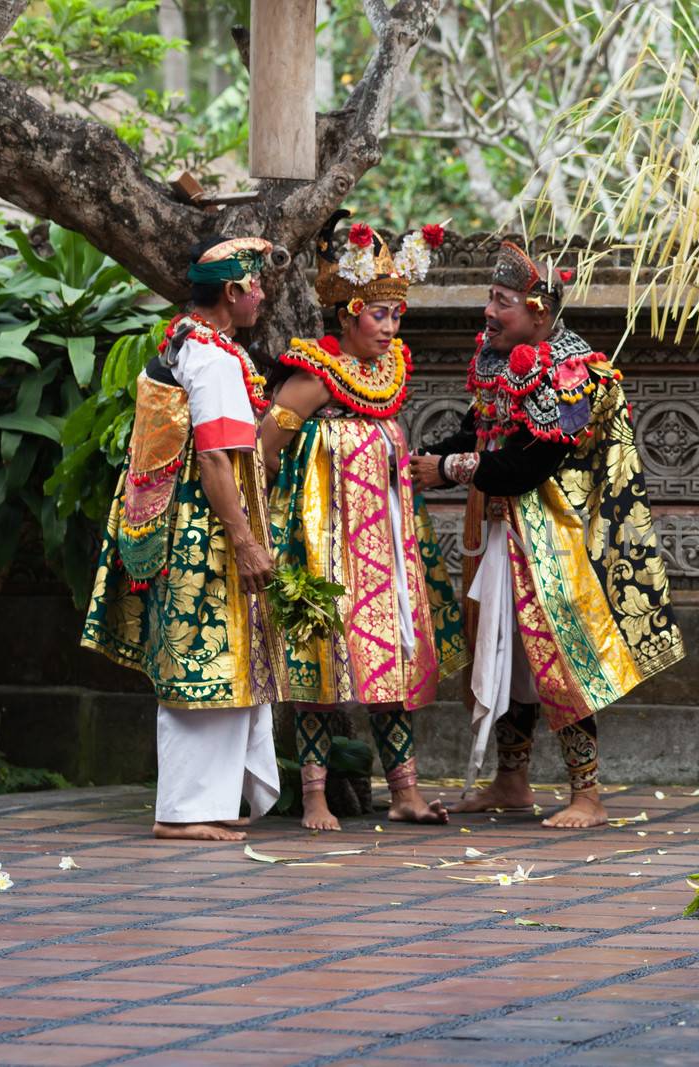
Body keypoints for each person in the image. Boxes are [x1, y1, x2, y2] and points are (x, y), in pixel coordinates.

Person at [411, 242, 684, 829]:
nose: (488, 312)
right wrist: (425, 458)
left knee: (560, 660)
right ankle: (511, 781)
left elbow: (530, 464)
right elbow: (477, 435)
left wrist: (450, 471)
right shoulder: (497, 359)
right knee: (507, 657)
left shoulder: (573, 375)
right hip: (502, 533)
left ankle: (588, 794)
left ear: (539, 312)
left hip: (558, 541)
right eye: (489, 298)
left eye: (502, 303)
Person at [260, 212, 465, 831]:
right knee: (321, 661)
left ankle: (405, 791)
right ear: (348, 313)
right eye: (380, 315)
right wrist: (268, 529)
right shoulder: (313, 378)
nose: (391, 326)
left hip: (387, 548)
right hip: (323, 545)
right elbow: (265, 447)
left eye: (397, 315)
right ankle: (317, 796)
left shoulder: (387, 372)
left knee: (393, 663)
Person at [81, 234, 282, 842]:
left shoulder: (187, 340)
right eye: (257, 287)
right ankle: (184, 812)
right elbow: (218, 460)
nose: (264, 297)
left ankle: (208, 802)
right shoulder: (214, 359)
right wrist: (245, 540)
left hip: (187, 520)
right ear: (232, 292)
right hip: (204, 526)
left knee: (214, 659)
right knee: (204, 658)